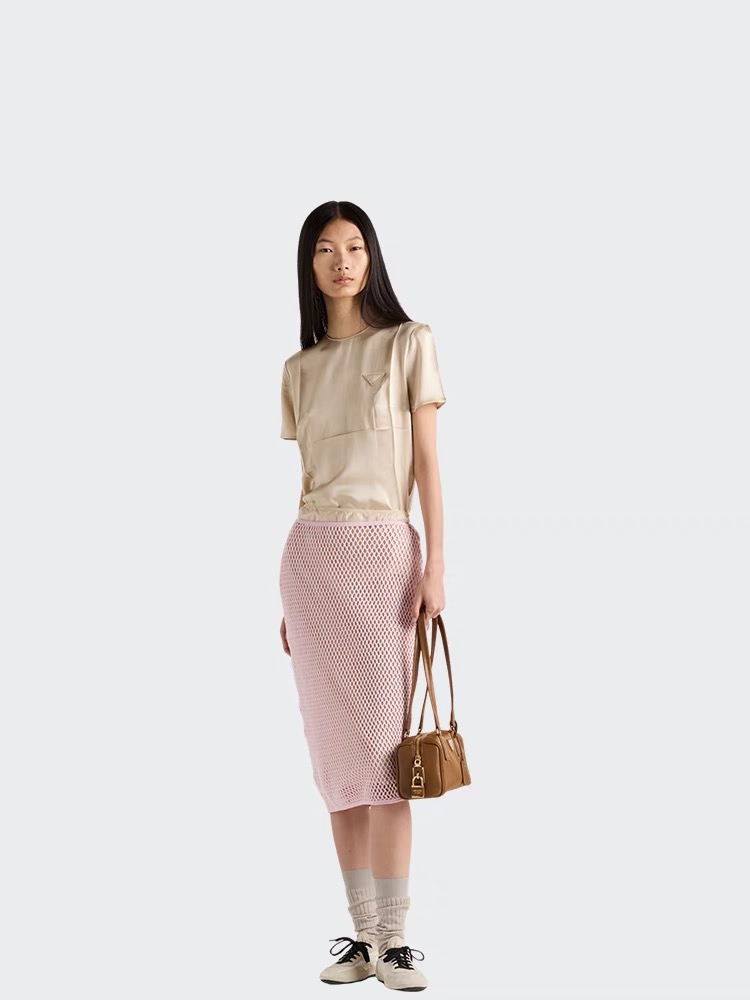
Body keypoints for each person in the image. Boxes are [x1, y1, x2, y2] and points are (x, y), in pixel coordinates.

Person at [278, 200, 447, 992]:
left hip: (384, 558)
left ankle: (395, 939)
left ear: (372, 258)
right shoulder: (299, 369)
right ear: (309, 266)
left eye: (353, 246)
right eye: (324, 249)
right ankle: (360, 938)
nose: (341, 261)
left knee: (386, 762)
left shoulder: (410, 343)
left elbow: (429, 465)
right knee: (336, 767)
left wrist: (436, 567)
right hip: (312, 564)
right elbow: (309, 481)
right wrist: (290, 601)